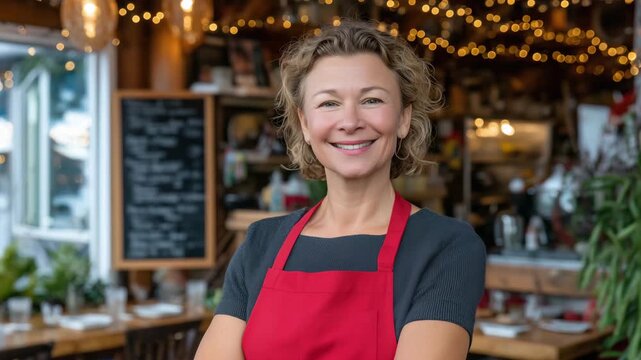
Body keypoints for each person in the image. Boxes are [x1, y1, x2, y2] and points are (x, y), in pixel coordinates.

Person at [195, 20, 486, 359]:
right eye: (329, 103)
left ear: (404, 118)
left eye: (372, 100)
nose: (350, 122)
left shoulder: (445, 247)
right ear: (305, 124)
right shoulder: (261, 243)